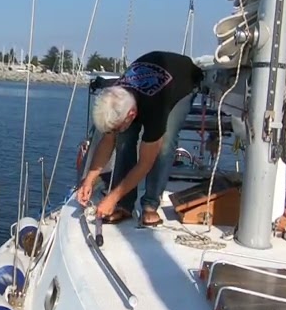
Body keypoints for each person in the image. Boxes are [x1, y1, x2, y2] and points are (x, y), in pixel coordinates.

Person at [78, 50, 204, 226]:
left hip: (181, 81)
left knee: (165, 144)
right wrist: (89, 181)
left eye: (117, 127)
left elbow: (146, 163)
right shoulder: (117, 95)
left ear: (132, 114)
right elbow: (108, 142)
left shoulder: (156, 109)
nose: (115, 131)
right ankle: (124, 205)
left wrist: (111, 198)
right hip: (146, 73)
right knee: (124, 140)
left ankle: (150, 206)